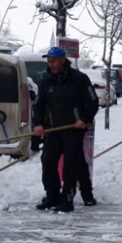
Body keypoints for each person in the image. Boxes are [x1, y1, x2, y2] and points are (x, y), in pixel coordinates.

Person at [33, 47, 100, 213]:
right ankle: (52, 196)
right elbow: (39, 104)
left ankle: (67, 199)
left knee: (70, 165)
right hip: (52, 129)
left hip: (73, 129)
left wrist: (84, 119)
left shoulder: (79, 78)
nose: (51, 64)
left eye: (54, 61)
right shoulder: (46, 80)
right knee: (48, 162)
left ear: (63, 60)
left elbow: (92, 101)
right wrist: (39, 124)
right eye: (49, 61)